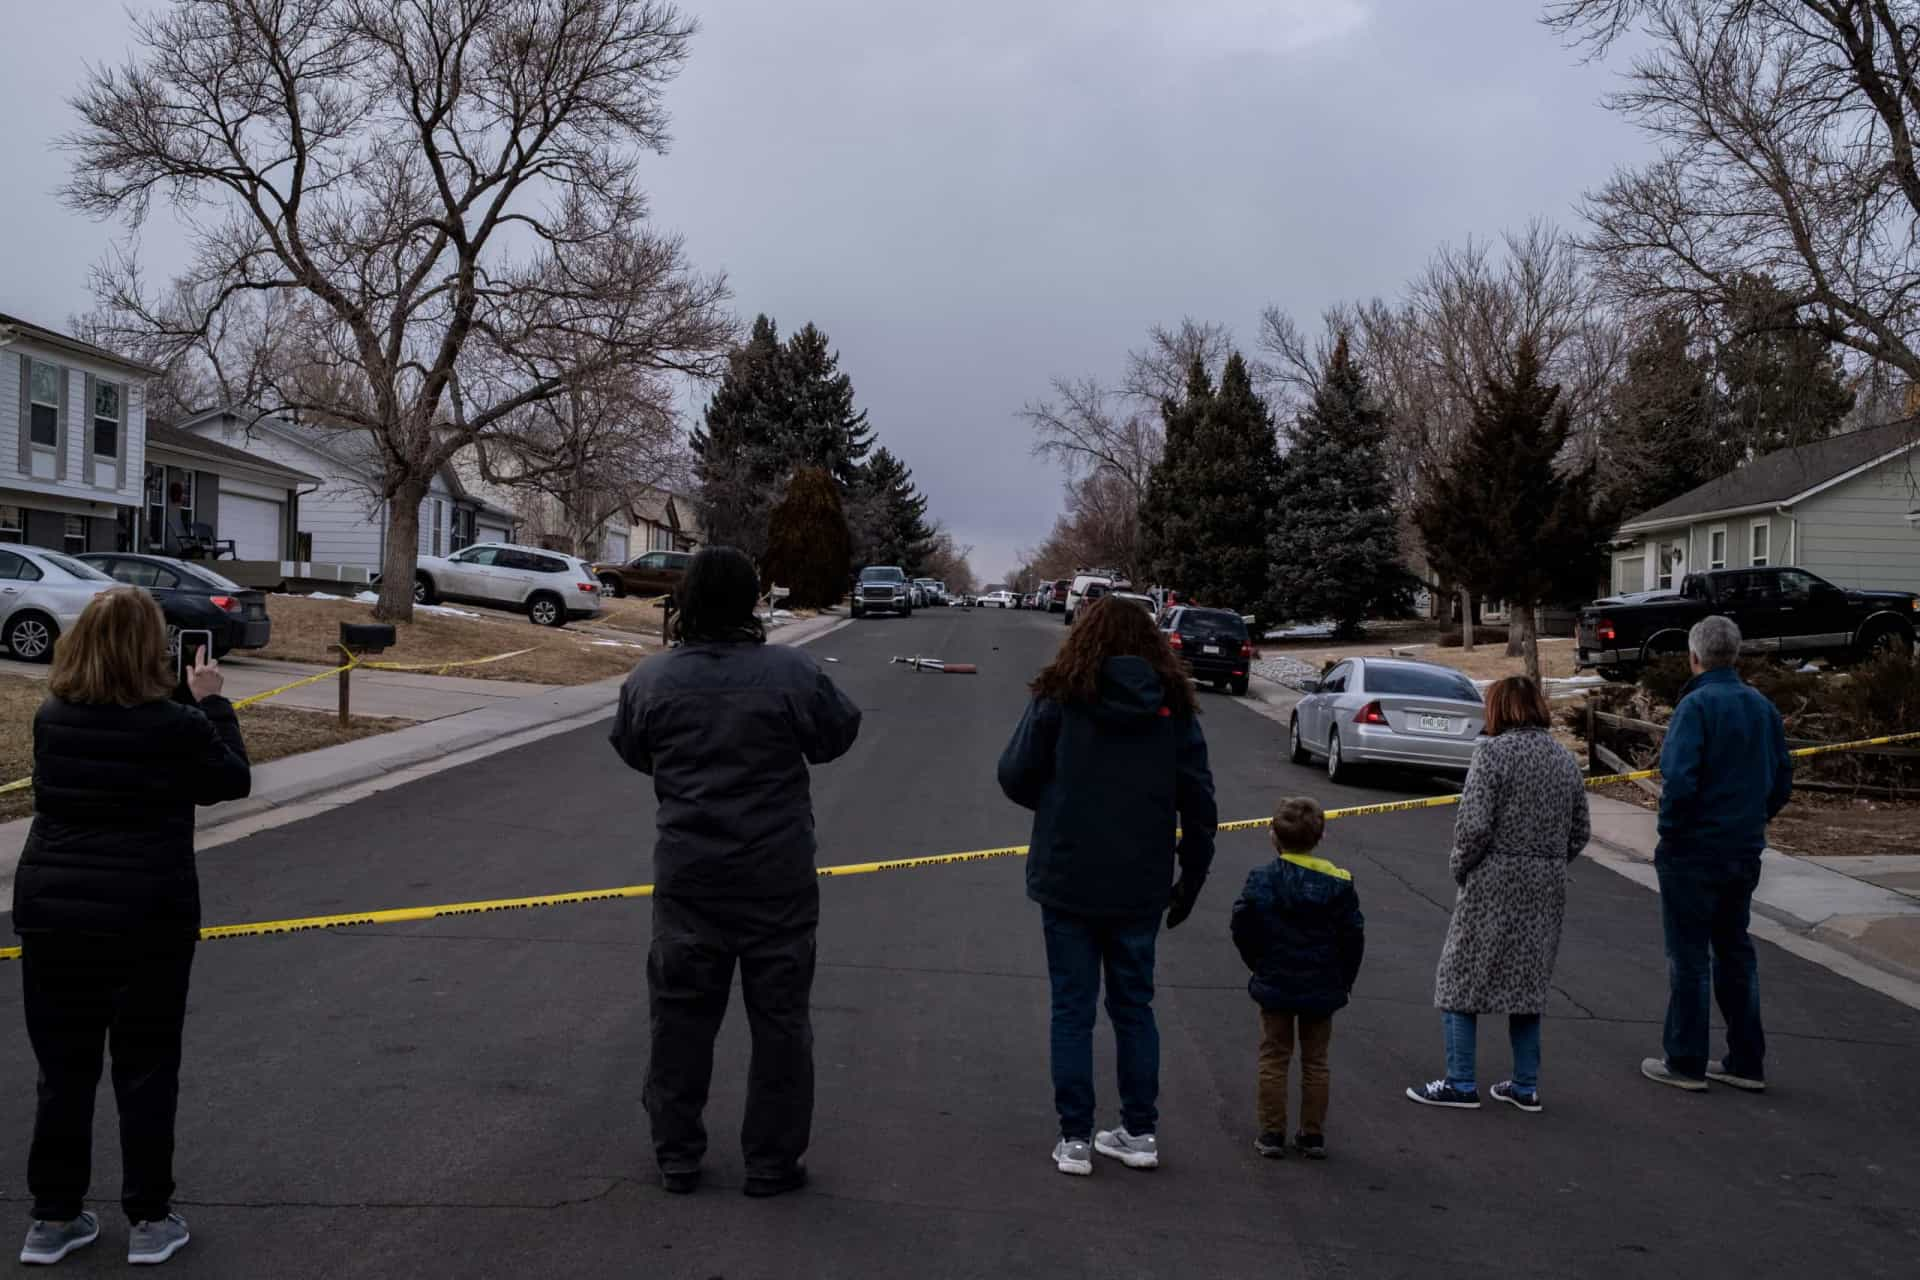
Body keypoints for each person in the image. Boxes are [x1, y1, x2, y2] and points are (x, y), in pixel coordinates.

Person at [609, 547, 861, 1198]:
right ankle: (772, 1162)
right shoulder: (792, 674)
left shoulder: (651, 680)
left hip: (690, 874)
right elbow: (836, 735)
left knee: (681, 1016)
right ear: (753, 601)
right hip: (776, 875)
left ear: (685, 602)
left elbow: (635, 749)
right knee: (780, 1020)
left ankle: (678, 1154)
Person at [13, 588, 250, 1267]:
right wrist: (210, 700)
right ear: (153, 648)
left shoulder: (52, 716)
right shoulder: (173, 725)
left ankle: (52, 1219)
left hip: (54, 912)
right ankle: (149, 1219)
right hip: (147, 916)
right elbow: (229, 781)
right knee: (146, 1069)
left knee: (63, 1072)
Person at [997, 596, 1217, 1177]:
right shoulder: (1172, 707)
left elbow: (1014, 774)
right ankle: (1139, 1130)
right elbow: (1199, 801)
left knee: (1072, 1009)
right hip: (1140, 880)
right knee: (1133, 1006)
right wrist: (1190, 877)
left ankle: (1074, 1138)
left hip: (1067, 874)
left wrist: (1058, 799)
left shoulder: (1061, 696)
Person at [1407, 675, 1589, 1114]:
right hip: (1546, 883)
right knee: (1526, 983)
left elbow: (1473, 826)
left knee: (1459, 979)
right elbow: (1580, 831)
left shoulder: (1491, 754)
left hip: (1494, 878)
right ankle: (1525, 1085)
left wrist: (1460, 866)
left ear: (1499, 708)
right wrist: (1549, 859)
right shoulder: (1564, 760)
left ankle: (1460, 1081)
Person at [1641, 615, 1792, 1093]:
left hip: (1694, 849)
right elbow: (1782, 779)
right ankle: (1746, 1060)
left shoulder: (1696, 706)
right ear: (1736, 654)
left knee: (1688, 956)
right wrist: (1754, 818)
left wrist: (1670, 832)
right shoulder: (1762, 707)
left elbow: (1680, 780)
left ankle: (1685, 1058)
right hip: (1743, 847)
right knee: (1734, 951)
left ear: (1695, 656)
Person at [1231, 797, 1364, 1161]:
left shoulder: (1262, 879)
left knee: (1274, 1055)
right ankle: (1312, 1134)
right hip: (1322, 983)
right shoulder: (1339, 883)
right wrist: (1344, 978)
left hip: (1275, 978)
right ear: (1319, 837)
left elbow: (1242, 925)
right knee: (1316, 1059)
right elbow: (1353, 937)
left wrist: (1258, 962)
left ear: (1274, 836)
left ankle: (1272, 1132)